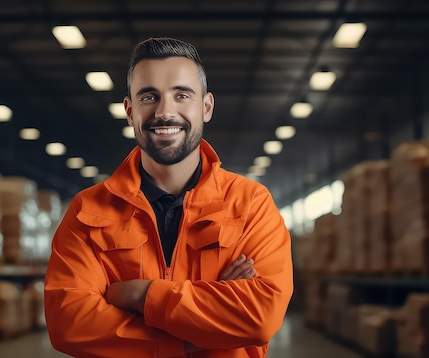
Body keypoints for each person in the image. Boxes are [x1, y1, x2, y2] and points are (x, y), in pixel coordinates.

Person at [44, 37, 294, 358]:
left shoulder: (250, 204)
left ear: (206, 107)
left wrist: (140, 294)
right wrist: (198, 330)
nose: (165, 111)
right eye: (149, 96)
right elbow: (70, 324)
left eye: (181, 95)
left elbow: (259, 316)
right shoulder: (87, 210)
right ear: (130, 110)